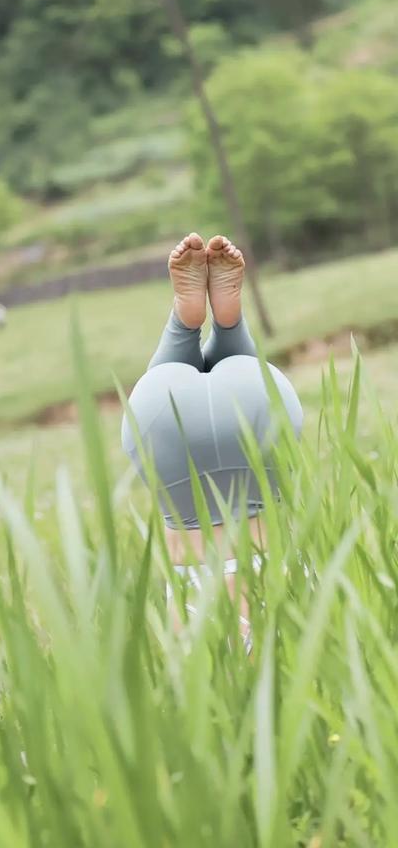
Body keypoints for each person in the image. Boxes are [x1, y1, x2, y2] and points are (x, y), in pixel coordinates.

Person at [121, 233, 303, 647]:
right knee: (165, 411)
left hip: (251, 396)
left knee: (177, 407)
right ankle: (211, 323)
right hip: (168, 410)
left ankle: (203, 323)